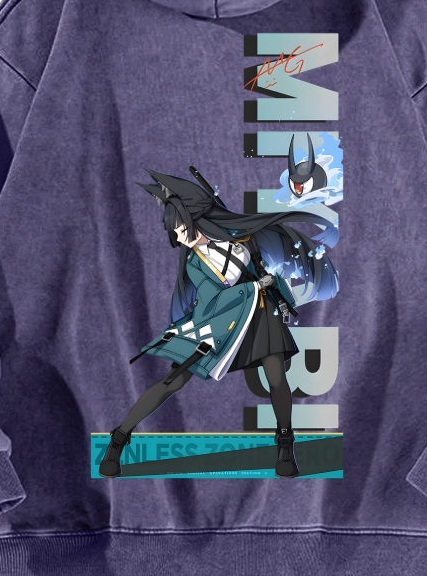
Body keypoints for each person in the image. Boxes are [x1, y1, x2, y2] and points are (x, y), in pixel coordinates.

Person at [99, 167, 339, 479]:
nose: (178, 238)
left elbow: (266, 267)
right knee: (174, 379)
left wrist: (271, 283)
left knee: (276, 377)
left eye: (180, 229)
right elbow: (214, 301)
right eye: (174, 233)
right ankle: (119, 438)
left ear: (193, 219)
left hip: (259, 313)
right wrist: (255, 285)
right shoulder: (195, 264)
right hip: (220, 320)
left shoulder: (241, 238)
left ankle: (285, 446)